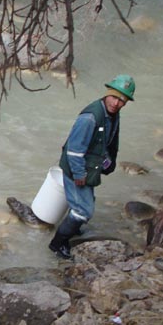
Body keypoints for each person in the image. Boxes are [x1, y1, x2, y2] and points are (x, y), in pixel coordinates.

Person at [48, 75, 135, 260]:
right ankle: (57, 243)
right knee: (83, 210)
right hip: (78, 168)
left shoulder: (111, 114)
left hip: (91, 166)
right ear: (108, 94)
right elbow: (74, 149)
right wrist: (79, 173)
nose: (117, 103)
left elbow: (108, 141)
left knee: (85, 203)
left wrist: (109, 161)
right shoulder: (90, 117)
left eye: (122, 100)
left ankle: (74, 226)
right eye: (115, 97)